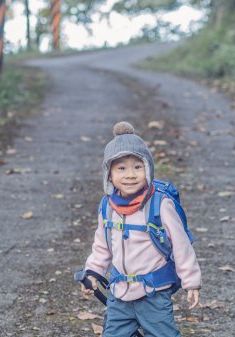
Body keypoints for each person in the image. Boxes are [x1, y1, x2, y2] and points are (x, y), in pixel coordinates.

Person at [82, 121, 202, 337]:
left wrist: (191, 281)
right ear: (109, 174)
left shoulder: (160, 204)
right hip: (118, 293)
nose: (130, 175)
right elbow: (102, 246)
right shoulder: (107, 206)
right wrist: (93, 273)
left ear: (148, 168)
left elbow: (181, 246)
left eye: (138, 167)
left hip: (153, 294)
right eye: (121, 168)